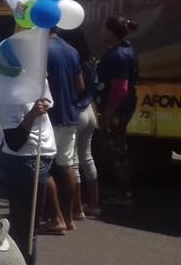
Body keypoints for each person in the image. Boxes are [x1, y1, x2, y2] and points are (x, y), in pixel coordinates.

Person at [0, 96, 59, 265]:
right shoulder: (9, 93)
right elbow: (14, 141)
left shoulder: (34, 85)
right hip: (26, 163)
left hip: (34, 161)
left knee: (24, 231)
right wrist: (33, 113)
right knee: (26, 233)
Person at [42, 30, 84, 233]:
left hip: (50, 116)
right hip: (70, 115)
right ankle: (68, 218)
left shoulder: (42, 51)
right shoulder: (72, 51)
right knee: (66, 166)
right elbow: (80, 85)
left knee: (43, 168)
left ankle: (55, 217)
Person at [96, 16, 139, 203]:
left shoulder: (119, 56)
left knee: (113, 151)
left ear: (111, 31)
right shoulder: (124, 48)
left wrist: (107, 114)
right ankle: (121, 191)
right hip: (121, 107)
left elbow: (120, 89)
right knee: (116, 148)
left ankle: (121, 192)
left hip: (117, 110)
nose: (100, 32)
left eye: (104, 28)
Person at [60, 27, 100, 218]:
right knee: (87, 157)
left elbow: (79, 87)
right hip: (90, 110)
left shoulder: (71, 59)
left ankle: (77, 209)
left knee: (73, 160)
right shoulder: (90, 61)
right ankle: (94, 203)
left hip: (76, 111)